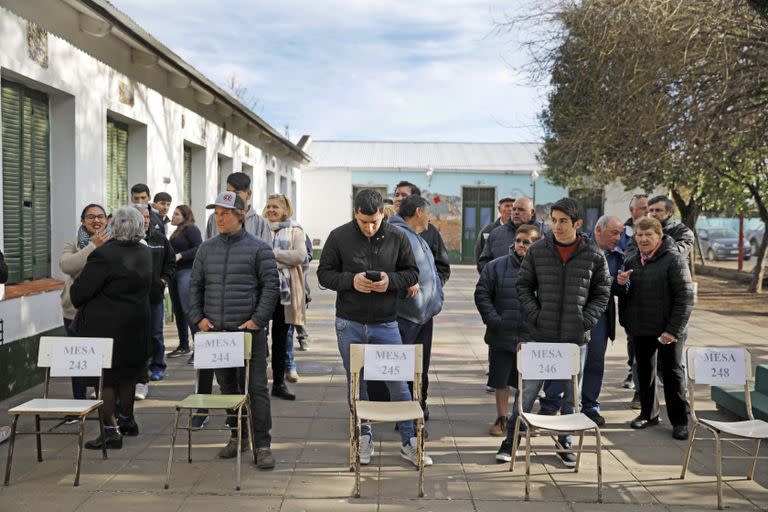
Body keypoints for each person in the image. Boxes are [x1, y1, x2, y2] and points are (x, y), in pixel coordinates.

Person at [317, 189, 432, 467]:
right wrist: (350, 281)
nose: (369, 228)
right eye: (363, 221)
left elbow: (412, 272)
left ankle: (409, 440)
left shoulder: (397, 236)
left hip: (386, 322)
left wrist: (389, 282)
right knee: (357, 383)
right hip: (349, 322)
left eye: (375, 221)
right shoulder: (338, 236)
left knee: (399, 382)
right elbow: (323, 274)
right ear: (355, 213)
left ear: (384, 214)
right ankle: (363, 436)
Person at [496, 198, 611, 466]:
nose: (556, 226)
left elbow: (602, 293)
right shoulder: (538, 251)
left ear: (578, 224)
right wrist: (536, 316)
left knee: (573, 397)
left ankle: (565, 441)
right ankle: (511, 439)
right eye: (553, 220)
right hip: (541, 337)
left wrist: (585, 320)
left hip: (575, 339)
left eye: (563, 221)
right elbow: (523, 286)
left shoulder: (593, 254)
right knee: (526, 393)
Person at [189, 191, 280, 468]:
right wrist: (198, 319)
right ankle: (237, 436)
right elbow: (195, 286)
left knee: (256, 390)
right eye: (216, 213)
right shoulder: (206, 248)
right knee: (228, 388)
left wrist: (257, 320)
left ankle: (262, 445)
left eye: (224, 213)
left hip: (249, 332)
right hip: (217, 333)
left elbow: (271, 287)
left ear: (240, 216)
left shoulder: (259, 248)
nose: (219, 218)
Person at [71, 206, 152, 449]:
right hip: (136, 324)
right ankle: (127, 421)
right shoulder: (145, 252)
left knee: (105, 380)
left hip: (105, 327)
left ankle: (110, 430)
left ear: (112, 226)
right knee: (128, 373)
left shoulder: (104, 255)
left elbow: (79, 294)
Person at [539, 216, 625, 426]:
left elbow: (612, 288)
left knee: (594, 362)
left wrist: (622, 284)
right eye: (614, 233)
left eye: (620, 234)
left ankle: (590, 405)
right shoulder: (577, 246)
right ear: (598, 229)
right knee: (561, 359)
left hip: (599, 318)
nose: (618, 238)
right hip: (570, 316)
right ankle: (551, 403)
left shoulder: (617, 256)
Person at [615, 216, 694, 440]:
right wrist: (620, 284)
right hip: (640, 328)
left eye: (648, 234)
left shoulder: (673, 259)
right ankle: (648, 415)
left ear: (659, 236)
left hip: (667, 330)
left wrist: (673, 330)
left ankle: (680, 421)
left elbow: (685, 297)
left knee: (672, 374)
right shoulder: (631, 259)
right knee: (644, 373)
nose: (643, 239)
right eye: (639, 235)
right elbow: (624, 294)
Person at [474, 224, 540, 438]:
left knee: (527, 381)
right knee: (501, 380)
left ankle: (523, 418)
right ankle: (502, 418)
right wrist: (495, 320)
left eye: (526, 242)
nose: (521, 245)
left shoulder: (543, 269)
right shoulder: (495, 266)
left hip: (530, 336)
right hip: (502, 334)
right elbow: (482, 294)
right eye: (518, 241)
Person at [389, 195, 444, 421]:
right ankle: (405, 417)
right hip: (406, 316)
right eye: (428, 213)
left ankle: (415, 410)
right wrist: (405, 284)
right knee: (404, 368)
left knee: (418, 367)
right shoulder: (397, 234)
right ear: (419, 212)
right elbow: (388, 269)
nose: (430, 218)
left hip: (421, 315)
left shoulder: (415, 236)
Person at [60, 204, 110, 402]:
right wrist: (92, 246)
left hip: (104, 310)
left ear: (106, 220)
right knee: (78, 360)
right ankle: (78, 401)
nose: (96, 220)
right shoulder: (73, 243)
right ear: (83, 221)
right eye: (90, 217)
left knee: (102, 358)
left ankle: (103, 402)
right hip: (75, 310)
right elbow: (67, 266)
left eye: (100, 216)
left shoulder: (114, 242)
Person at [263, 194, 307, 400]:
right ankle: (257, 381)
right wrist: (282, 257)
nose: (271, 210)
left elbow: (300, 256)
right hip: (261, 288)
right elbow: (253, 255)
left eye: (276, 207)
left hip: (286, 292)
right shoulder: (259, 227)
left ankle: (279, 384)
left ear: (285, 210)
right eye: (269, 206)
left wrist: (271, 255)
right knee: (258, 336)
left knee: (281, 338)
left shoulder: (295, 230)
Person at [133, 204, 175, 402]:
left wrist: (163, 281)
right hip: (132, 299)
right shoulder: (128, 241)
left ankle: (158, 366)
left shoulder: (159, 239)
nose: (146, 220)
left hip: (154, 296)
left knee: (155, 334)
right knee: (136, 336)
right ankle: (138, 372)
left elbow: (171, 263)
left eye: (148, 216)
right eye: (142, 217)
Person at [393, 181, 450, 286]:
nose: (399, 199)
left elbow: (443, 266)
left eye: (404, 195)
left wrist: (433, 289)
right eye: (396, 195)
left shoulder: (429, 231)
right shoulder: (386, 228)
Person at [619, 193, 648, 392]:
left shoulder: (660, 232)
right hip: (630, 292)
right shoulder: (623, 232)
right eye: (643, 208)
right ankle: (633, 370)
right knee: (633, 337)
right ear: (632, 211)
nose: (647, 212)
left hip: (653, 293)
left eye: (649, 208)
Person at [166, 205, 202, 358]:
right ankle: (183, 345)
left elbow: (199, 247)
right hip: (174, 273)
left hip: (186, 272)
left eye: (176, 214)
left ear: (185, 216)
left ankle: (199, 349)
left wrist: (181, 255)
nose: (172, 216)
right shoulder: (177, 231)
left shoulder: (191, 229)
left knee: (188, 310)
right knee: (178, 311)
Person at [477, 197, 547, 271]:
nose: (516, 212)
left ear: (532, 212)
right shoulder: (495, 234)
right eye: (514, 209)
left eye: (521, 210)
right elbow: (483, 262)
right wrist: (492, 278)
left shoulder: (544, 234)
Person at [206, 172, 271, 241]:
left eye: (236, 193)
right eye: (229, 192)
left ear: (248, 194)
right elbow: (206, 248)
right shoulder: (214, 218)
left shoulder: (260, 223)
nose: (231, 197)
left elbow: (266, 250)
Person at [475, 197, 515, 272]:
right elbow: (480, 255)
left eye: (513, 206)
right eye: (507, 206)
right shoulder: (488, 230)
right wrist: (485, 275)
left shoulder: (519, 230)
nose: (510, 209)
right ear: (499, 209)